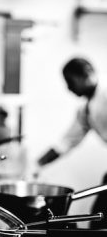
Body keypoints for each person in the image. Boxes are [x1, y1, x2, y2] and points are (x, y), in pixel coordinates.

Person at [37, 57, 107, 228]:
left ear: (87, 74)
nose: (69, 88)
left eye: (70, 81)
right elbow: (66, 142)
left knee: (100, 220)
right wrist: (37, 164)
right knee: (99, 220)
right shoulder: (86, 109)